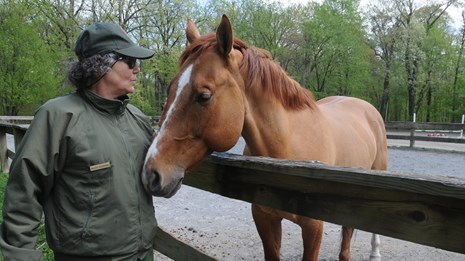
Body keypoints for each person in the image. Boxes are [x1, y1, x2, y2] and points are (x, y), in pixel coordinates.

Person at [0, 22, 157, 261]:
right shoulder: (58, 116)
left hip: (143, 254)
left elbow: (159, 182)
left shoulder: (139, 119)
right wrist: (22, 256)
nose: (137, 70)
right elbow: (24, 192)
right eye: (130, 62)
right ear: (103, 64)